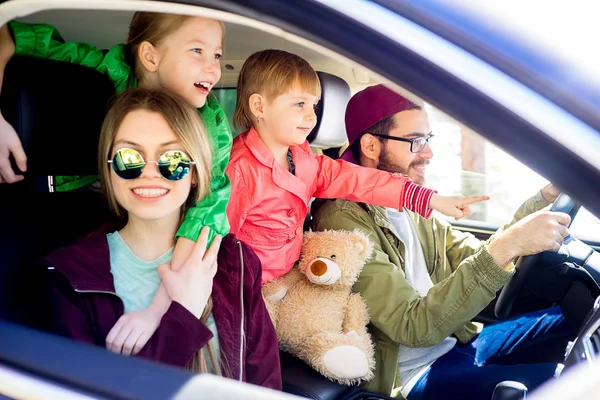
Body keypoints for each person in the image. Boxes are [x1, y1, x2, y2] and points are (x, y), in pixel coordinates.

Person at [311, 84, 574, 399]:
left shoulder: (412, 202)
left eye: (428, 139)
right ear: (370, 145)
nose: (428, 153)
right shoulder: (342, 220)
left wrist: (543, 200)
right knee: (568, 384)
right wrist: (510, 245)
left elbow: (475, 256)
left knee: (571, 317)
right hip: (410, 376)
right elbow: (413, 327)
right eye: (415, 141)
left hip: (456, 342)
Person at [0, 12, 231, 352]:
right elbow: (10, 33)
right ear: (150, 56)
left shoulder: (210, 120)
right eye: (197, 51)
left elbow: (207, 212)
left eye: (218, 55)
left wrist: (162, 307)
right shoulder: (107, 68)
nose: (213, 68)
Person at [42, 88, 281, 389]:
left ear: (195, 173)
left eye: (173, 159)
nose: (150, 173)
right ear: (109, 168)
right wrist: (182, 315)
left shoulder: (236, 261)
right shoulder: (69, 275)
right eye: (129, 157)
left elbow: (266, 385)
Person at [227, 49, 490, 285]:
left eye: (314, 106)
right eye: (300, 104)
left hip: (289, 281)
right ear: (259, 106)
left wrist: (430, 199)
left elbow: (358, 181)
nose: (311, 116)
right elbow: (218, 241)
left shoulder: (305, 161)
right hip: (246, 288)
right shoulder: (240, 170)